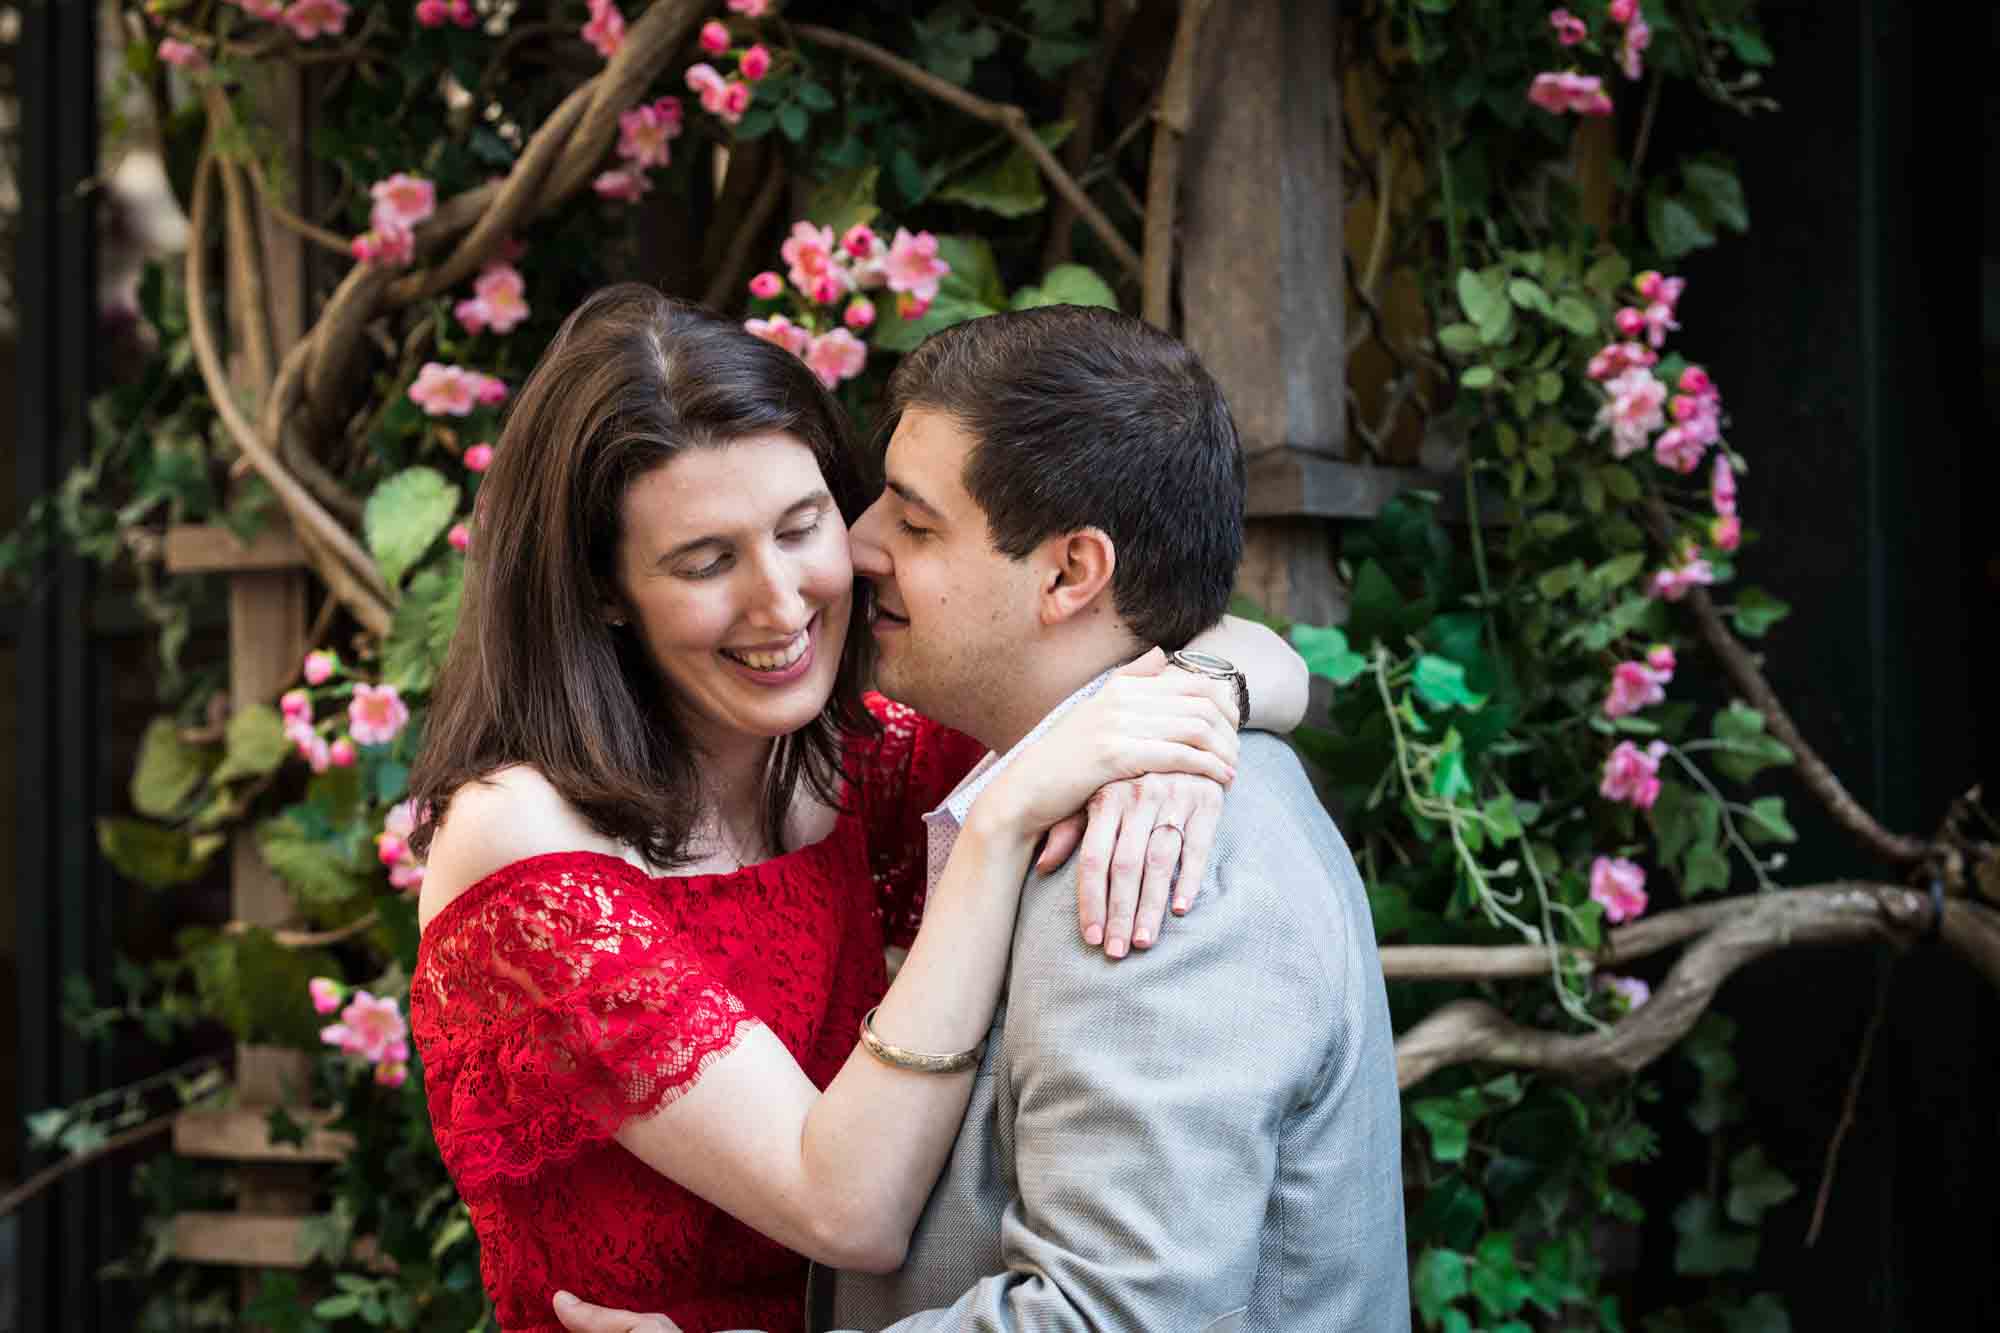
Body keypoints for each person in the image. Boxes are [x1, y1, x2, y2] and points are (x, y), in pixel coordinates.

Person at [405, 285, 1310, 1333]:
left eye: (801, 528)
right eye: (706, 562)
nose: (782, 603)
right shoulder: (519, 839)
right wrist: (1002, 822)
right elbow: (848, 1209)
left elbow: (1242, 645)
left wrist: (1187, 709)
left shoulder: (838, 757)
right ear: (605, 590)